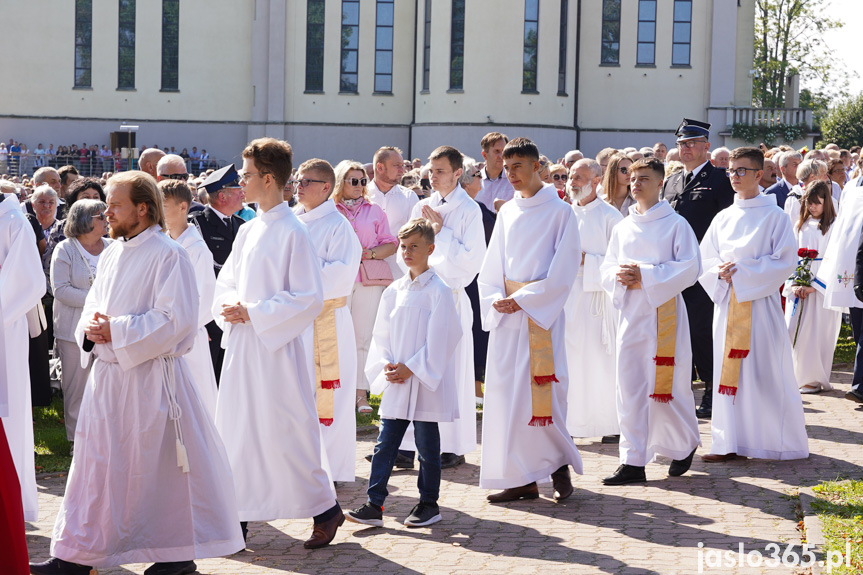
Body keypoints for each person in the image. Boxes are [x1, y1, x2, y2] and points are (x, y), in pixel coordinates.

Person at [30, 171, 243, 575]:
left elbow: (176, 321)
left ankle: (174, 558)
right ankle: (76, 555)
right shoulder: (112, 252)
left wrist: (118, 330)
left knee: (157, 474)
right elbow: (94, 305)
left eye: (115, 205)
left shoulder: (169, 254)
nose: (105, 212)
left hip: (151, 383)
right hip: (108, 380)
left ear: (142, 208)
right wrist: (92, 329)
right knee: (94, 468)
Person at [213, 138, 344, 549]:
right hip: (243, 348)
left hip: (277, 350)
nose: (241, 181)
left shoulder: (293, 232)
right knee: (238, 431)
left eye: (247, 174)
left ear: (268, 179)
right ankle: (239, 518)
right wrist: (231, 306)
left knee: (289, 431)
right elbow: (226, 281)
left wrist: (254, 311)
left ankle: (325, 509)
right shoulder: (249, 229)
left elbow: (308, 296)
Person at [478, 137, 582, 503]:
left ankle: (557, 465)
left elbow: (564, 270)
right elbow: (491, 268)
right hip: (507, 317)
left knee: (544, 396)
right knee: (509, 398)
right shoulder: (507, 212)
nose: (511, 175)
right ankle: (520, 477)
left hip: (540, 316)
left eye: (517, 167)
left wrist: (524, 299)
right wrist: (495, 299)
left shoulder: (561, 212)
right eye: (506, 168)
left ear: (537, 166)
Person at [346, 218, 462, 529]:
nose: (407, 252)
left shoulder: (439, 290)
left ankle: (428, 503)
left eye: (415, 247)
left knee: (426, 446)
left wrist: (413, 367)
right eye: (403, 246)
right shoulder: (394, 290)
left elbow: (445, 335)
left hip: (423, 379)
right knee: (385, 444)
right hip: (397, 377)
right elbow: (380, 333)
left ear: (431, 249)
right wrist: (387, 365)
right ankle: (374, 503)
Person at [698, 147, 807, 462]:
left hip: (759, 308)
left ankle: (770, 441)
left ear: (759, 174)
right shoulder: (723, 217)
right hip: (727, 306)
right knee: (727, 374)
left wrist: (743, 273)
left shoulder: (774, 216)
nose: (734, 176)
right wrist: (719, 272)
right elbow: (705, 259)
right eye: (731, 171)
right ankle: (727, 442)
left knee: (762, 372)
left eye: (741, 171)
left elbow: (785, 261)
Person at [599, 158, 702, 485]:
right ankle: (632, 460)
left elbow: (690, 268)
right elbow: (607, 267)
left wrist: (646, 275)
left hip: (664, 316)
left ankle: (684, 444)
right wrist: (620, 277)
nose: (636, 183)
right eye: (633, 178)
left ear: (660, 184)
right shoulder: (623, 226)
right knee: (629, 386)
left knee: (667, 387)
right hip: (631, 315)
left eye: (644, 178)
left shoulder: (676, 224)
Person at [399, 145, 486, 470]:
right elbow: (402, 253)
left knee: (450, 373)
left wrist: (440, 233)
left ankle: (452, 445)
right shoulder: (422, 206)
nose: (432, 177)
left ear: (457, 173)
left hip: (450, 297)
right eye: (430, 171)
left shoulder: (469, 210)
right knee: (414, 370)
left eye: (440, 171)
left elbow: (470, 263)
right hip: (420, 298)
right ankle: (407, 445)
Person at [293, 158, 363, 485]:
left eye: (306, 181)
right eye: (297, 180)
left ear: (325, 187)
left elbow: (340, 276)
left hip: (326, 323)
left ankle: (330, 469)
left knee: (328, 396)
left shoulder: (338, 226)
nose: (298, 186)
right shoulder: (292, 221)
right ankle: (300, 466)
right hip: (294, 321)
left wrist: (292, 280)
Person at [661, 119, 735, 420]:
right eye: (681, 143)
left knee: (702, 331)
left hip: (703, 271)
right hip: (673, 271)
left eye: (692, 143)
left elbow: (727, 225)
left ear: (706, 146)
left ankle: (710, 390)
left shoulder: (719, 180)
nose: (686, 148)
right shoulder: (671, 181)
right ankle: (681, 390)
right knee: (677, 333)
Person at [564, 159, 623, 441]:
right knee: (570, 361)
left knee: (600, 363)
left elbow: (621, 263)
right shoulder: (562, 214)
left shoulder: (611, 217)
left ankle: (607, 424)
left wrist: (589, 261)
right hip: (566, 298)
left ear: (597, 180)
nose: (573, 181)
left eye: (580, 177)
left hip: (598, 301)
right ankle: (572, 424)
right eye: (571, 176)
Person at [334, 160, 399, 414]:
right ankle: (336, 390)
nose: (360, 186)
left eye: (363, 181)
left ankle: (360, 394)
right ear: (341, 182)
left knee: (363, 337)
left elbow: (391, 243)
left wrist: (369, 253)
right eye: (354, 181)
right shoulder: (330, 209)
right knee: (337, 335)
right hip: (338, 278)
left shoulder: (374, 211)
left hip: (368, 279)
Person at [0, 190, 45, 527]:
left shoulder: (13, 221)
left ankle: (11, 504)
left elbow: (29, 281)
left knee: (8, 413)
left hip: (3, 331)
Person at [49, 199, 111, 445]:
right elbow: (61, 290)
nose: (108, 219)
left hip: (106, 329)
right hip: (72, 330)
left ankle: (103, 439)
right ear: (86, 220)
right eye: (101, 216)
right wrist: (98, 301)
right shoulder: (65, 249)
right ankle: (77, 442)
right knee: (76, 388)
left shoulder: (113, 246)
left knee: (106, 385)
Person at [160, 179, 218, 421]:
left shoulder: (196, 248)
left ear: (183, 207)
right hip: (163, 333)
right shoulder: (163, 241)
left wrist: (176, 326)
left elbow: (205, 300)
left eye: (163, 205)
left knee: (194, 404)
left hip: (186, 335)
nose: (157, 211)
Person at [189, 164, 247, 380]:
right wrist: (202, 321)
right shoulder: (197, 225)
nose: (243, 193)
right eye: (236, 190)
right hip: (208, 318)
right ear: (222, 196)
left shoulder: (242, 225)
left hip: (233, 314)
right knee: (208, 378)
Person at [783, 181, 840, 394]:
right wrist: (795, 282)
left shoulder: (834, 226)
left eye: (818, 202)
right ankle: (793, 376)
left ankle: (814, 378)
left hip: (821, 287)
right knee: (792, 329)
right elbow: (791, 255)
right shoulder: (801, 224)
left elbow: (835, 260)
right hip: (799, 284)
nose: (813, 207)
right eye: (810, 202)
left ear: (827, 202)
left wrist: (814, 286)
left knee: (816, 333)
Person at [460, 158, 496, 405]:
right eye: (476, 175)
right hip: (466, 278)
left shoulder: (479, 208)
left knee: (479, 331)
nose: (480, 178)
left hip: (479, 278)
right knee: (472, 330)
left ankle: (476, 385)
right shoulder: (473, 210)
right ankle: (472, 386)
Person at [366, 146, 418, 280]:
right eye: (397, 166)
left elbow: (415, 233)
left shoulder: (409, 197)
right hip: (364, 271)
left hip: (399, 273)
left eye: (402, 165)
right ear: (380, 167)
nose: (403, 170)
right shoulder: (362, 195)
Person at [475, 132, 515, 212]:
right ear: (484, 155)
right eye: (497, 151)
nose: (501, 156)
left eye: (504, 151)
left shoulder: (514, 179)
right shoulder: (474, 179)